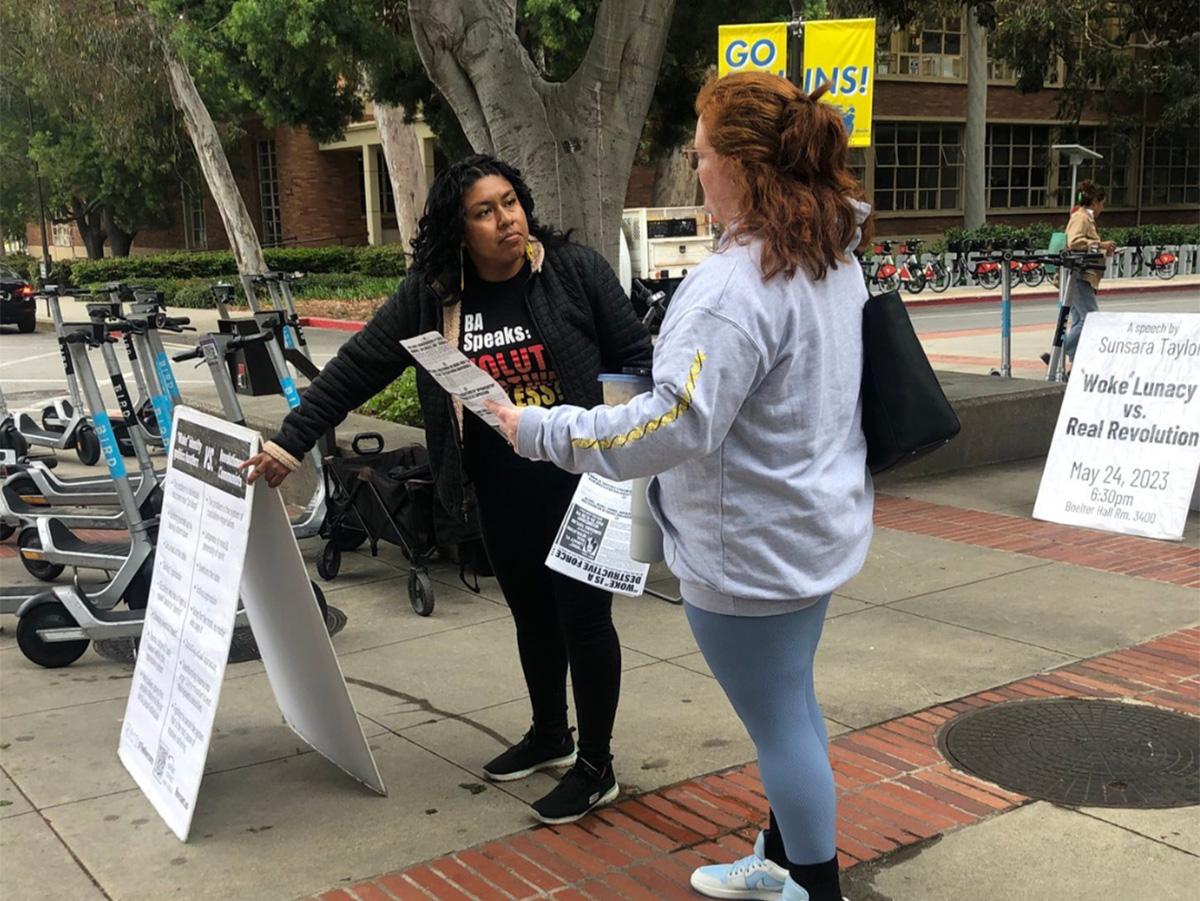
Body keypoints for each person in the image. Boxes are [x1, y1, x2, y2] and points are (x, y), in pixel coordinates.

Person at [490, 72, 873, 901]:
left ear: (738, 164)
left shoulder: (735, 285)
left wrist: (538, 431)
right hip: (810, 529)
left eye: (699, 157)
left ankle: (812, 884)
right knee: (791, 709)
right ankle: (782, 860)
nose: (693, 170)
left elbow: (672, 423)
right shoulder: (830, 253)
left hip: (749, 552)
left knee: (781, 724)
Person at [242, 154, 652, 825]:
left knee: (583, 620)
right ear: (459, 230)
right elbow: (359, 364)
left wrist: (611, 444)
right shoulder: (437, 294)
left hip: (582, 488)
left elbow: (635, 358)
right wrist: (291, 439)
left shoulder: (574, 271)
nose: (506, 220)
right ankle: (551, 733)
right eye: (485, 212)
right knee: (532, 615)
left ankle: (595, 766)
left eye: (510, 202)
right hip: (499, 486)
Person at [1062, 179, 1116, 363]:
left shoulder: (1086, 218)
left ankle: (1075, 361)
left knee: (1079, 320)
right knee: (1090, 318)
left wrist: (1102, 249)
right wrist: (1100, 244)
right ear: (1094, 203)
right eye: (1102, 204)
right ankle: (1059, 353)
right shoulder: (1081, 217)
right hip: (1079, 275)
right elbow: (1074, 242)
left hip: (1082, 275)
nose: (1102, 208)